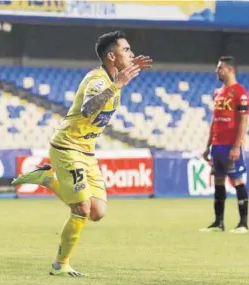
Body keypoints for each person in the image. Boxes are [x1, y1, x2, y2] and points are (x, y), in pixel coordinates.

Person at [11, 31, 152, 276]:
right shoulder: (98, 80)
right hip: (67, 147)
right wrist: (117, 84)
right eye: (126, 50)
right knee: (82, 210)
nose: (131, 53)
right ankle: (60, 265)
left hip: (87, 153)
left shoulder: (113, 77)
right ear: (111, 55)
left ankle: (46, 179)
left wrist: (121, 77)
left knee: (97, 212)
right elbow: (88, 110)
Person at [200, 56, 249, 234]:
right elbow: (214, 121)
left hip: (230, 145)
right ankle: (218, 223)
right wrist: (208, 146)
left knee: (237, 180)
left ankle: (243, 223)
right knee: (218, 181)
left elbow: (243, 122)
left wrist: (237, 146)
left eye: (220, 68)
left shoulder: (240, 93)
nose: (217, 71)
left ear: (230, 70)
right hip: (217, 146)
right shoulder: (218, 93)